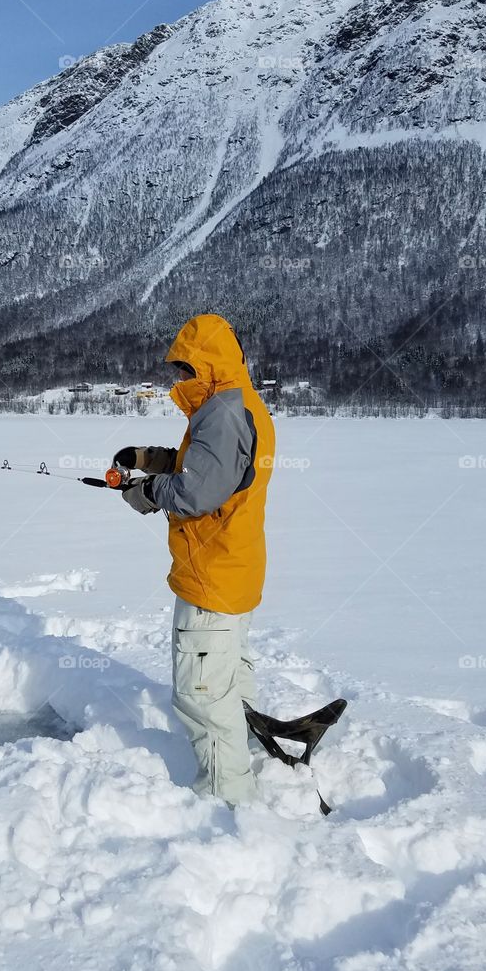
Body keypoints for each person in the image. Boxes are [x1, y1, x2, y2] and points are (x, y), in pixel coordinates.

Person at [114, 313, 275, 806]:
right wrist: (152, 459)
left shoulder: (222, 414)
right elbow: (217, 471)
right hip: (233, 568)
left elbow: (196, 493)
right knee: (227, 680)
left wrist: (147, 492)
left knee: (200, 693)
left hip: (212, 575)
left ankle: (226, 799)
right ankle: (247, 761)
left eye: (185, 368)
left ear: (208, 364)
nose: (178, 379)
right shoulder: (235, 406)